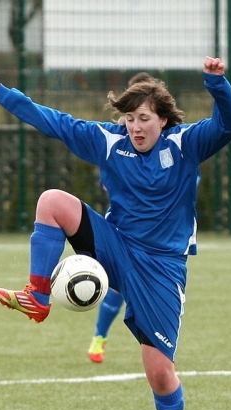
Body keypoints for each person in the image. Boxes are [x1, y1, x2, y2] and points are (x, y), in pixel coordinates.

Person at [0, 57, 231, 410]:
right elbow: (53, 122)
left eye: (143, 118)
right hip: (117, 246)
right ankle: (39, 296)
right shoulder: (110, 141)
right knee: (52, 201)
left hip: (161, 266)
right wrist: (3, 94)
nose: (135, 126)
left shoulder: (185, 144)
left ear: (162, 120)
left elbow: (230, 123)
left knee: (159, 372)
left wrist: (216, 83)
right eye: (129, 118)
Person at [86, 72, 156, 364]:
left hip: (157, 233)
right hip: (124, 224)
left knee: (149, 290)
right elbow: (107, 171)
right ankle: (99, 338)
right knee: (117, 285)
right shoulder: (119, 135)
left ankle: (157, 342)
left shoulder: (166, 137)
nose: (135, 124)